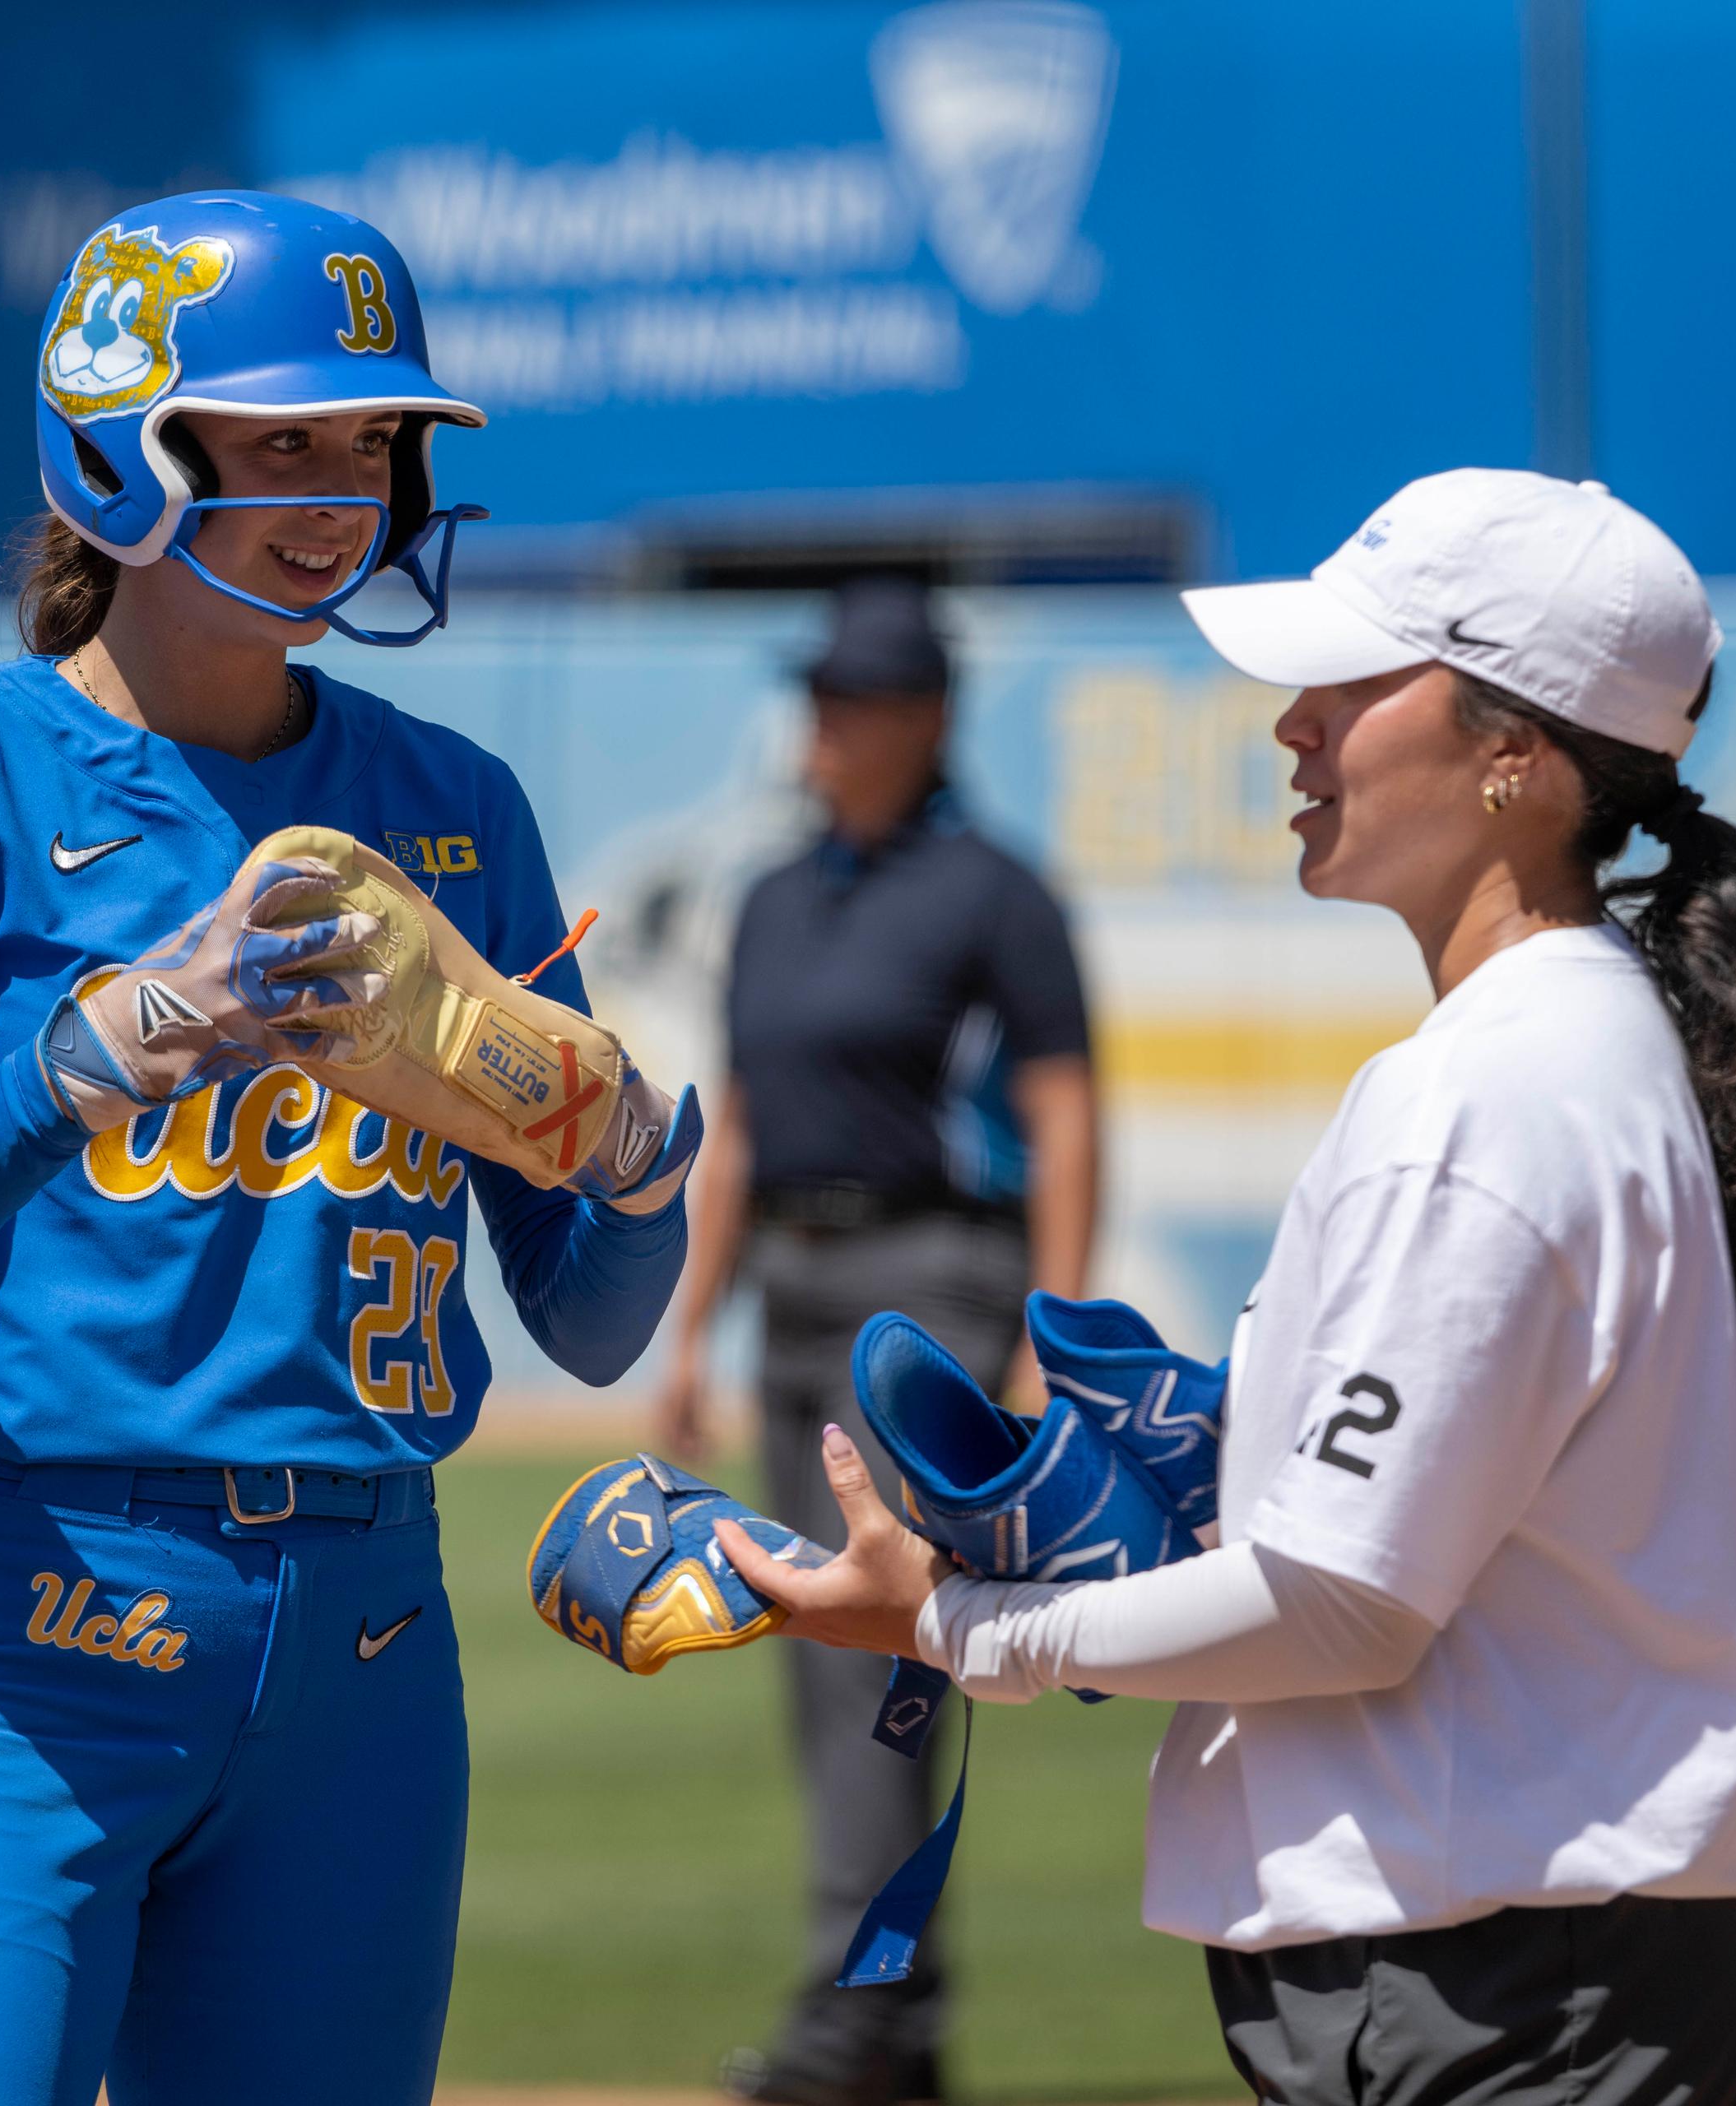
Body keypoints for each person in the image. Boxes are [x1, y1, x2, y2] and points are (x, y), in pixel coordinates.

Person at [719, 470, 1736, 2105]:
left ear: (1516, 748)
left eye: (1352, 683)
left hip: (1517, 2002)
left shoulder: (1493, 1088)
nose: (1295, 724)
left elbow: (1341, 1598)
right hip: (1540, 1981)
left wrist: (948, 1621)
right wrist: (1222, 1478)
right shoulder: (1559, 1044)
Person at [0, 192, 697, 2106]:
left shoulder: (450, 807)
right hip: (29, 1614)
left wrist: (640, 1161)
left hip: (365, 1643)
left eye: (373, 440)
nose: (342, 489)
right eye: (279, 440)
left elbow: (587, 1329)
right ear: (121, 445)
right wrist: (78, 1064)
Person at [656, 575, 1100, 2106]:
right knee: (823, 1658)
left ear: (928, 720)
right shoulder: (776, 898)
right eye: (821, 696)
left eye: (856, 700)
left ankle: (859, 2015)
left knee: (882, 1667)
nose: (826, 724)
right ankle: (892, 2023)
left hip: (929, 1300)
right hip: (791, 1280)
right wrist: (690, 1335)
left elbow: (1061, 1106)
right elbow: (738, 1126)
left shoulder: (995, 892)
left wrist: (1050, 1327)